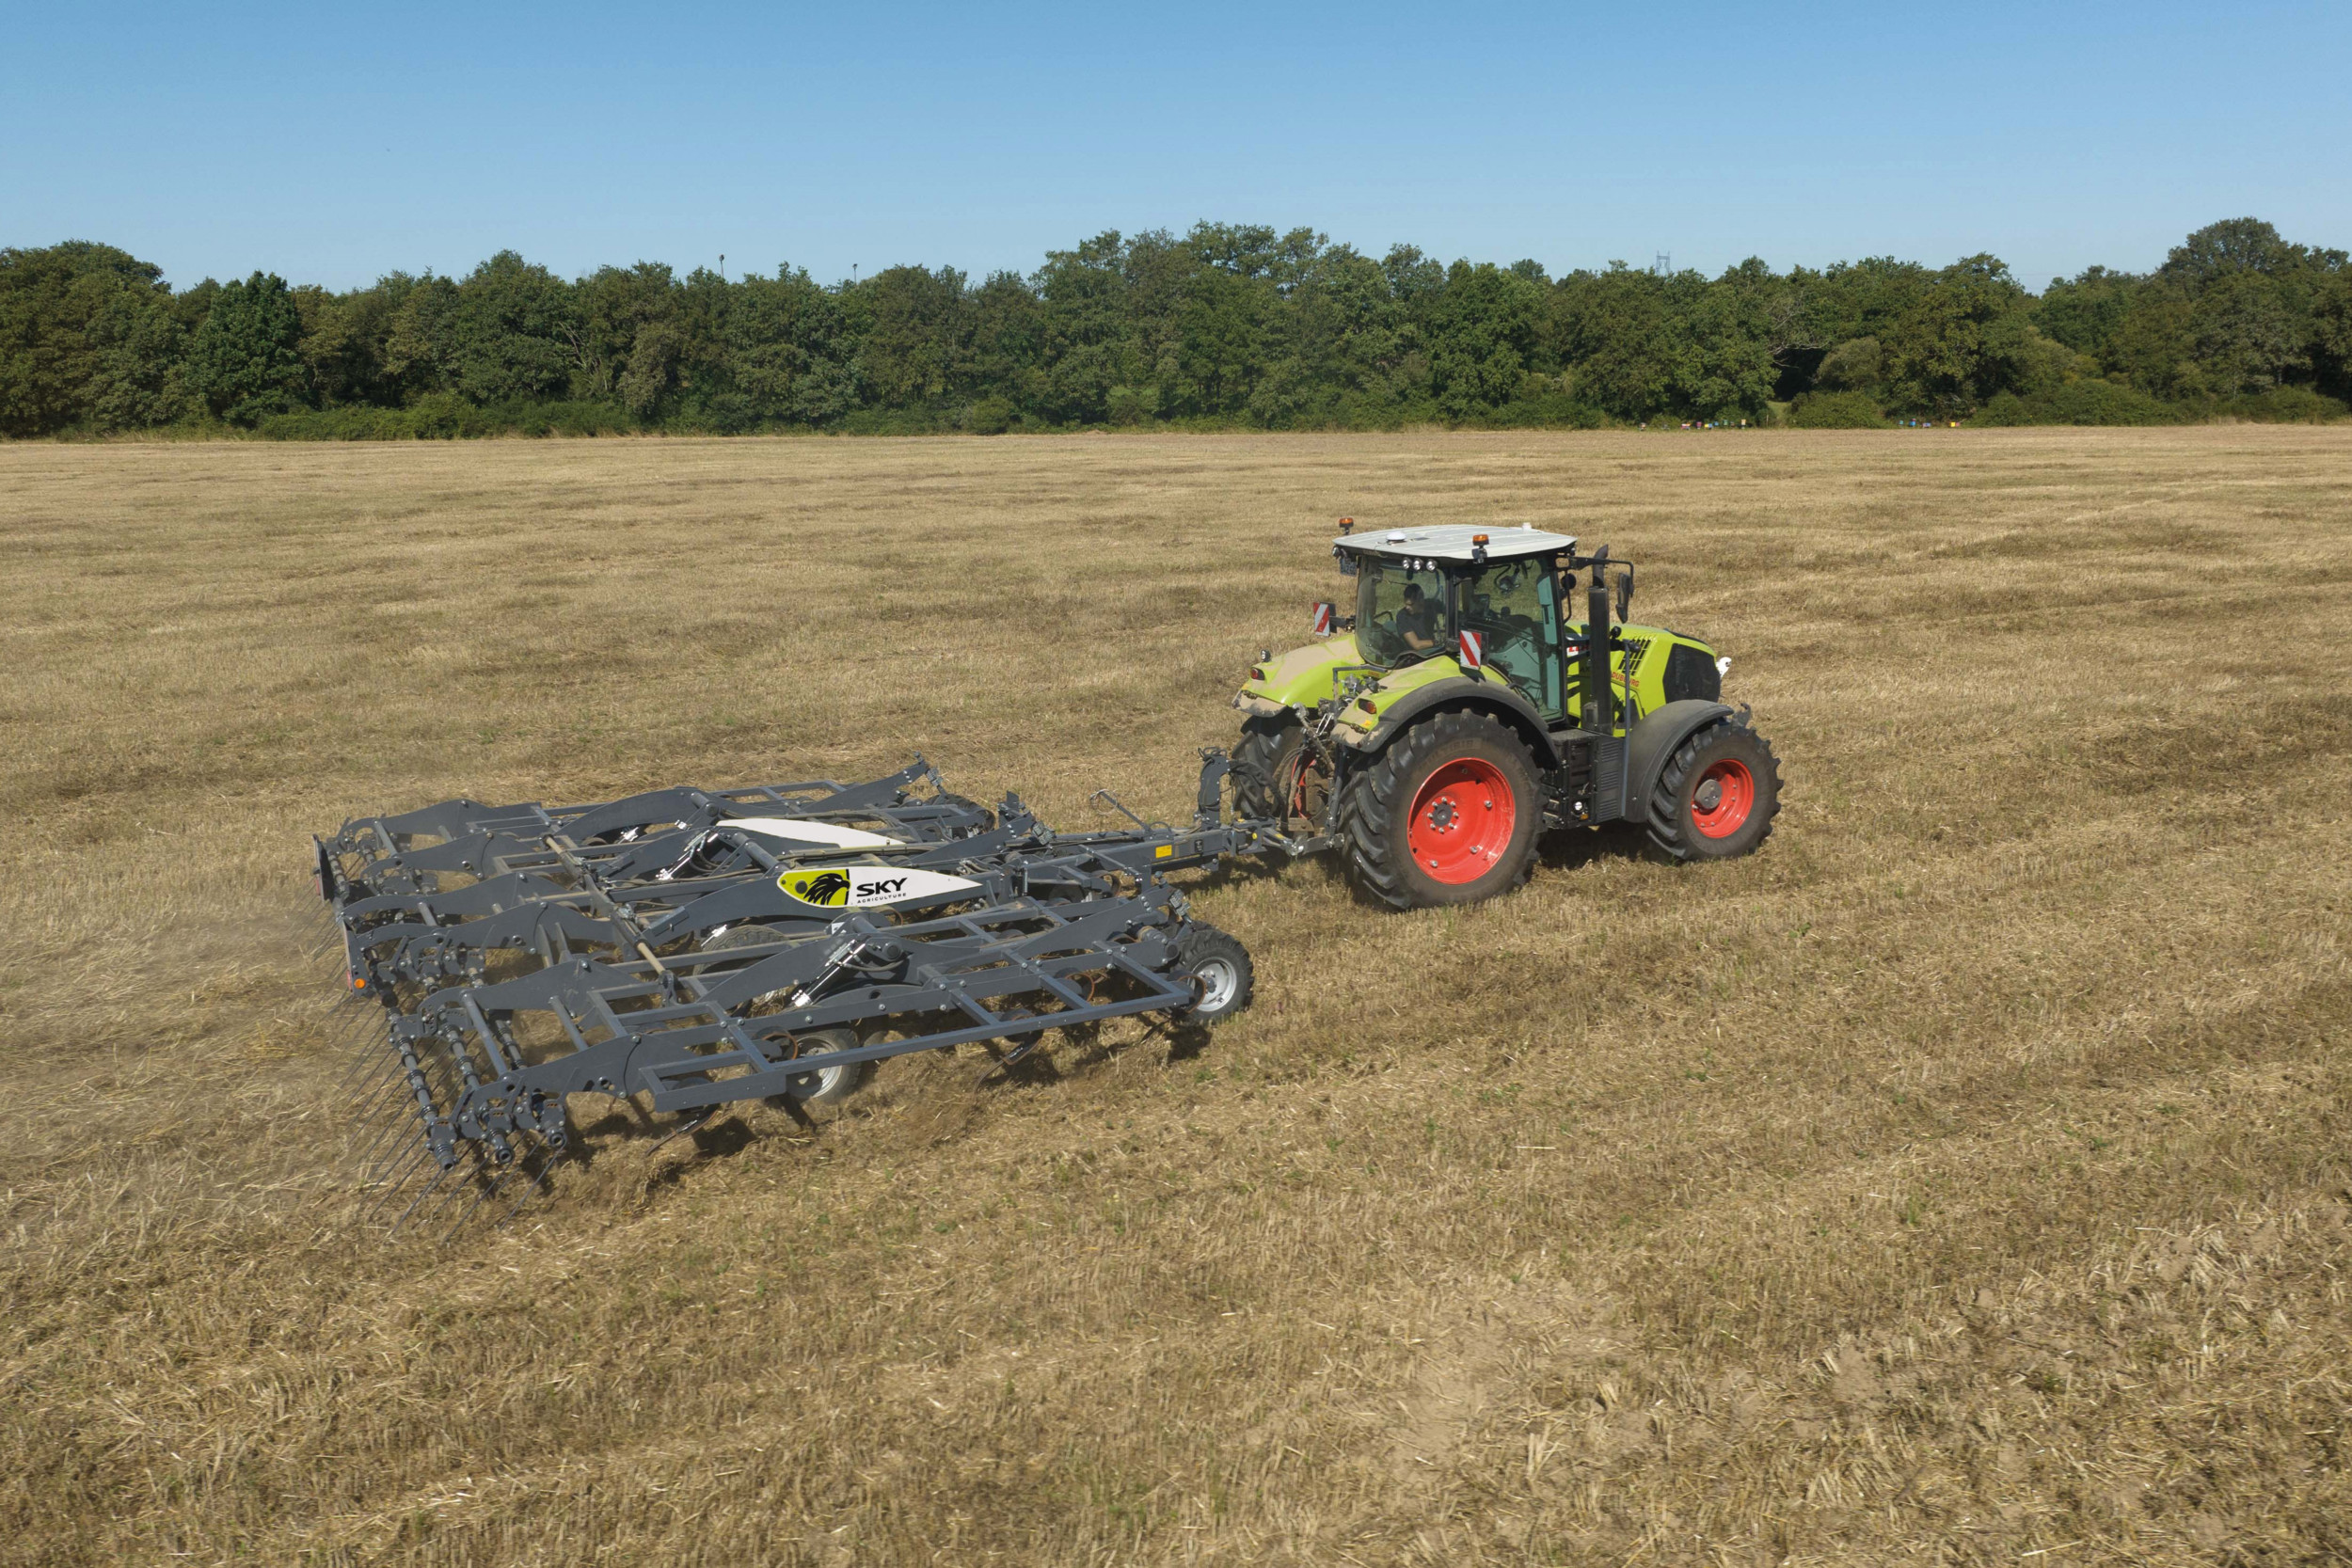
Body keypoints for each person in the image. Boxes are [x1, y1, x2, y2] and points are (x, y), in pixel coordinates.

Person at [1393, 582, 1439, 650]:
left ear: (1421, 600)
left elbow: (1449, 611)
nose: (1407, 607)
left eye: (1410, 604)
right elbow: (1416, 645)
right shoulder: (1402, 616)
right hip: (1417, 655)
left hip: (1433, 648)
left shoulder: (1431, 606)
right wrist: (1439, 642)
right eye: (1406, 604)